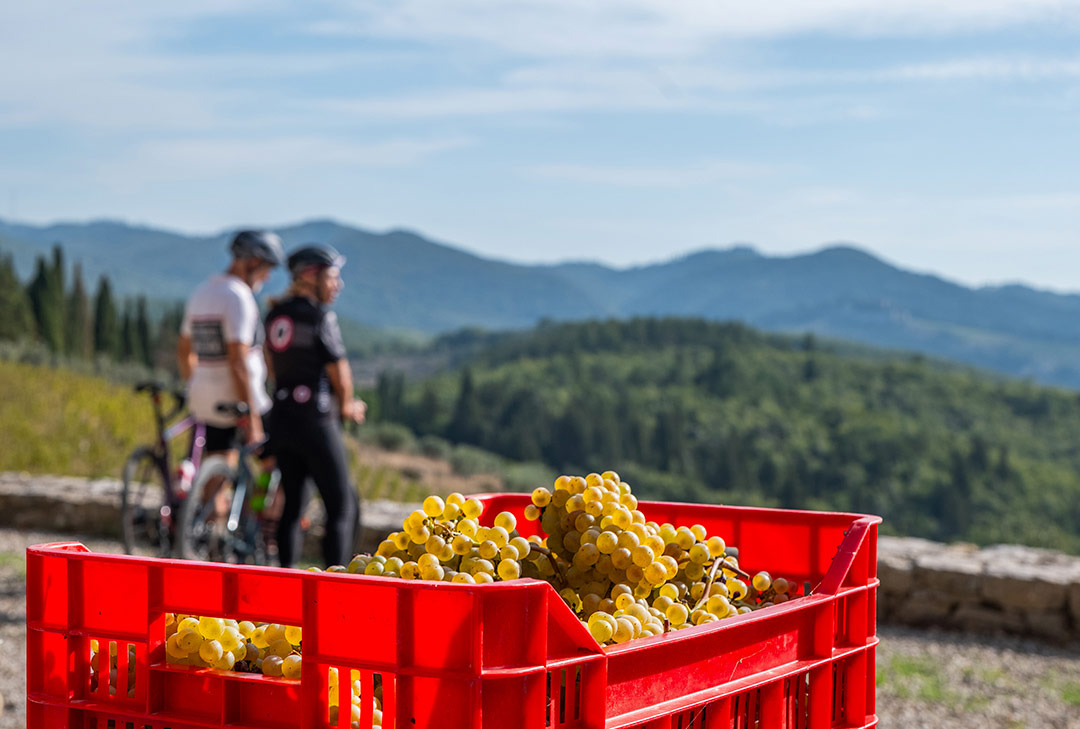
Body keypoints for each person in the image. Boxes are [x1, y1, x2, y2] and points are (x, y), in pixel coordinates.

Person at [264, 244, 366, 568]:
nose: (339, 285)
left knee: (292, 506)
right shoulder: (320, 316)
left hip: (282, 418)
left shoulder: (275, 315)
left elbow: (270, 369)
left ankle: (285, 583)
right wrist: (348, 405)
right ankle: (338, 585)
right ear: (311, 277)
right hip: (316, 421)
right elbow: (340, 371)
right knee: (341, 506)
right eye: (333, 277)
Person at [177, 230, 284, 454]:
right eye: (267, 268)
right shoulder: (239, 298)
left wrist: (197, 383)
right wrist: (252, 419)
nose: (267, 277)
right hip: (241, 399)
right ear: (253, 262)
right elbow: (238, 361)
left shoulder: (202, 292)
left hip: (204, 398)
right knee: (281, 457)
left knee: (218, 466)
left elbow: (183, 351)